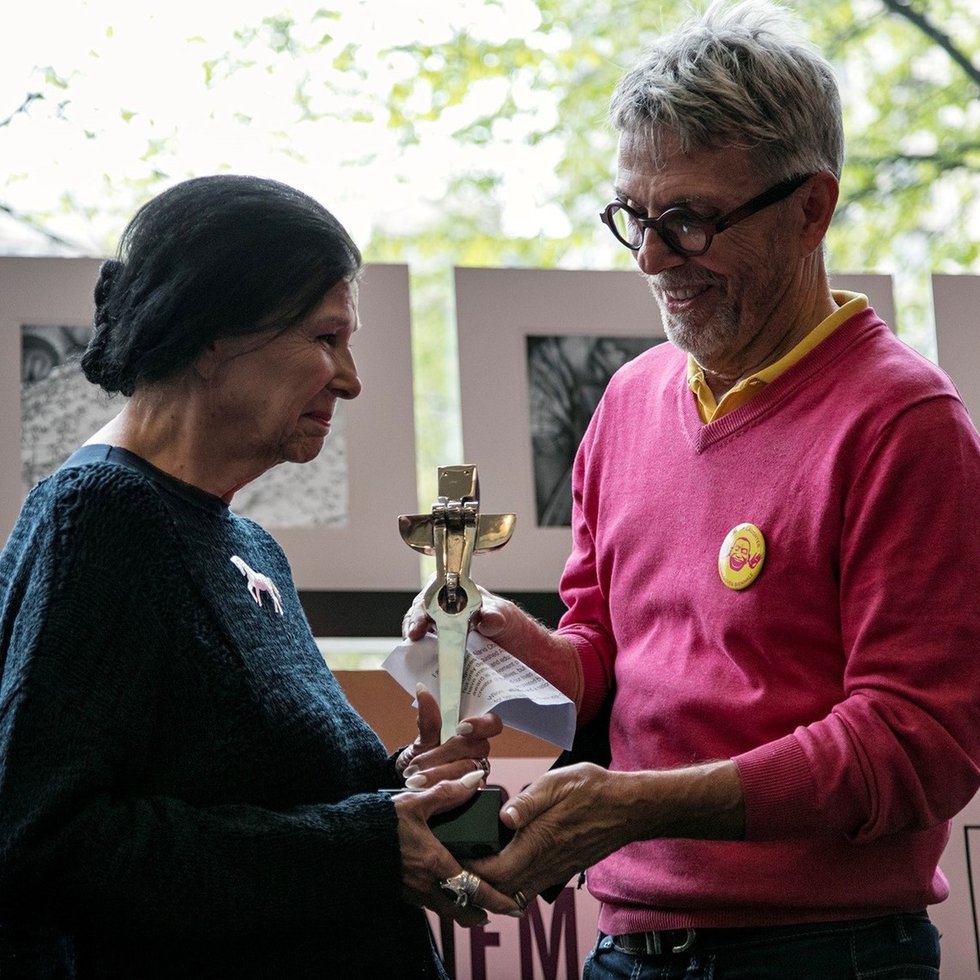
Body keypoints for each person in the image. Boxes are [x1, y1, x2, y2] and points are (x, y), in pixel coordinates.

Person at [405, 2, 980, 977]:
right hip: (625, 937)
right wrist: (504, 633)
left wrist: (642, 802)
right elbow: (602, 656)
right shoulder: (627, 401)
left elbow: (917, 740)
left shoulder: (902, 424)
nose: (648, 257)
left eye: (688, 220)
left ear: (811, 207)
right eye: (633, 214)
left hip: (823, 953)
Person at [0, 174, 521, 979]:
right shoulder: (100, 517)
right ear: (213, 332)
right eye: (325, 338)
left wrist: (409, 794)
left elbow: (267, 802)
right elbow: (46, 842)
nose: (349, 379)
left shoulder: (247, 543)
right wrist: (370, 842)